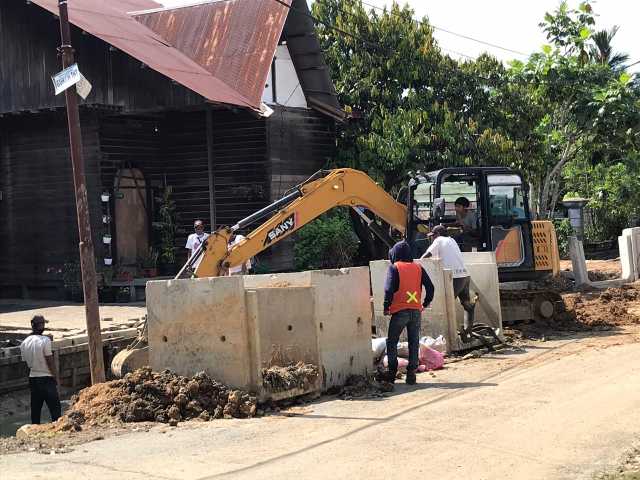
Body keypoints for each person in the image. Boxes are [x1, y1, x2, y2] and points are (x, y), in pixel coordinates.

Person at [382, 240, 435, 385]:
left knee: (392, 342)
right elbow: (430, 287)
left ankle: (392, 373)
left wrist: (386, 306)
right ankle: (411, 374)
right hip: (416, 311)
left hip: (399, 311)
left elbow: (388, 289)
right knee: (413, 342)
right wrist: (425, 303)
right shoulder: (418, 267)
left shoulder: (395, 268)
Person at [421, 225, 476, 340]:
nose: (432, 238)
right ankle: (467, 332)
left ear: (437, 234)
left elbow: (425, 257)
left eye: (433, 236)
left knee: (446, 307)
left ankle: (450, 337)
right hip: (465, 275)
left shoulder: (439, 240)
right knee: (467, 305)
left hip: (455, 278)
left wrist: (416, 265)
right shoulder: (452, 240)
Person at [20, 315, 61, 424]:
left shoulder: (24, 343)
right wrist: (56, 377)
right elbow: (50, 360)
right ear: (41, 326)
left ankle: (34, 430)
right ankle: (57, 429)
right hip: (46, 378)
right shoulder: (45, 340)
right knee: (55, 409)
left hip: (33, 379)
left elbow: (26, 364)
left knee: (36, 409)